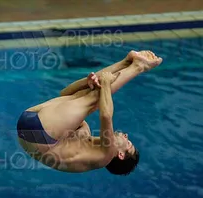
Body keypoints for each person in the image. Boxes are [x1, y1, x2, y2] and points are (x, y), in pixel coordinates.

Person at [17, 50, 162, 175]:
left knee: (94, 99)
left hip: (40, 135)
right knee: (87, 93)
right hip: (31, 126)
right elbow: (65, 94)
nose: (126, 135)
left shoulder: (106, 155)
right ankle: (126, 62)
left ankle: (139, 66)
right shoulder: (84, 135)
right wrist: (87, 82)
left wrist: (105, 84)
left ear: (121, 155)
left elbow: (106, 116)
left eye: (128, 143)